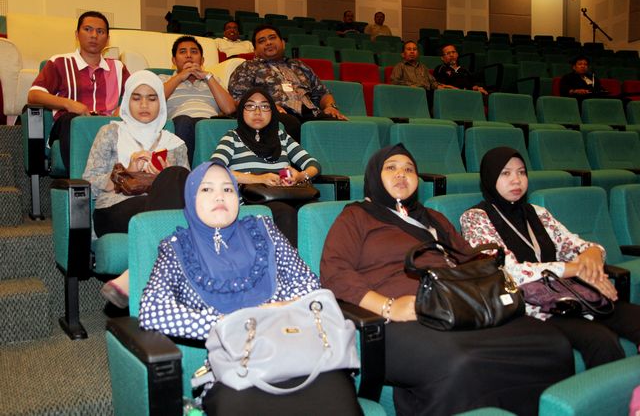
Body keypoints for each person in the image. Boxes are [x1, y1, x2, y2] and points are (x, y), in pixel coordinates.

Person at [320, 144, 574, 416]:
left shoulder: (433, 218)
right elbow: (334, 272)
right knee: (462, 361)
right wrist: (388, 306)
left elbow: (469, 258)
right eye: (391, 168)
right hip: (403, 317)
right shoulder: (356, 216)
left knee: (551, 343)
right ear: (374, 176)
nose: (401, 174)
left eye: (409, 169)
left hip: (456, 306)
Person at [138, 161, 362, 416]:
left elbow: (307, 283)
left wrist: (273, 312)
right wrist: (228, 324)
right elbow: (152, 310)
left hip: (299, 352)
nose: (220, 196)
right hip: (237, 369)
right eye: (207, 189)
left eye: (228, 189)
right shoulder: (177, 248)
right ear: (190, 198)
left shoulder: (264, 230)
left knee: (339, 398)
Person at [460, 146, 640, 369]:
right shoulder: (475, 219)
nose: (516, 180)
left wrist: (592, 256)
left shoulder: (537, 212)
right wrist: (573, 268)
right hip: (531, 306)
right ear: (489, 178)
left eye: (521, 172)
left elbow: (575, 245)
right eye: (505, 173)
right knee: (602, 341)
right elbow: (506, 271)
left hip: (572, 294)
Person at [83, 70, 190, 308]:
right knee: (171, 220)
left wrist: (163, 177)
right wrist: (126, 173)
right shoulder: (110, 132)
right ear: (126, 101)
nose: (144, 105)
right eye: (136, 97)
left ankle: (134, 277)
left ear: (161, 103)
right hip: (115, 209)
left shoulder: (175, 144)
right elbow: (88, 181)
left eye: (152, 98)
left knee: (177, 175)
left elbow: (189, 194)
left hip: (156, 210)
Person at [211, 88, 320, 247]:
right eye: (250, 106)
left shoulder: (281, 136)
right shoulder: (232, 137)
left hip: (287, 194)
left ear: (272, 111)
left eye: (264, 106)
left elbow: (313, 164)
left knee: (313, 210)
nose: (257, 112)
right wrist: (258, 179)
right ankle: (288, 261)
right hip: (251, 200)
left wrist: (299, 176)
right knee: (284, 213)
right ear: (242, 111)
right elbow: (214, 170)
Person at [28, 11, 130, 170]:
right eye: (88, 29)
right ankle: (82, 179)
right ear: (77, 34)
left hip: (106, 125)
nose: (94, 35)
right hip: (69, 124)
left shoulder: (118, 67)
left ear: (107, 39)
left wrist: (122, 108)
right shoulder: (59, 62)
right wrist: (69, 104)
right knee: (73, 120)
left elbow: (140, 94)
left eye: (100, 31)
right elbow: (34, 95)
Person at [228, 25, 346, 142]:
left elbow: (323, 93)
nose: (268, 43)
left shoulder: (300, 66)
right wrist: (267, 106)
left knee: (337, 123)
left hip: (310, 113)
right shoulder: (247, 67)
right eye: (262, 41)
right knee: (291, 124)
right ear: (255, 50)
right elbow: (238, 98)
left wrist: (331, 107)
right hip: (274, 113)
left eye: (272, 38)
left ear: (283, 43)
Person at [160, 36, 236, 165]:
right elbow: (154, 101)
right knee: (184, 121)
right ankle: (183, 171)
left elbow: (229, 109)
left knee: (204, 125)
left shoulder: (213, 80)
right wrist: (179, 77)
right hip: (180, 124)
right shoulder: (164, 79)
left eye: (194, 52)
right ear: (174, 60)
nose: (189, 55)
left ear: (202, 60)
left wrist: (208, 77)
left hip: (209, 124)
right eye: (182, 52)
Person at [390, 41, 447, 110]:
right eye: (409, 49)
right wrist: (411, 85)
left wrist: (438, 86)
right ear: (403, 54)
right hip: (410, 95)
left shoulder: (423, 67)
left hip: (426, 95)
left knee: (440, 94)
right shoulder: (400, 66)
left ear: (418, 54)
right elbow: (395, 82)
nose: (412, 52)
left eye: (414, 49)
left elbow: (432, 82)